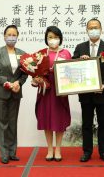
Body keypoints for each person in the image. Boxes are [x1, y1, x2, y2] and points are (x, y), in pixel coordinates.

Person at [72, 18, 104, 162]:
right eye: (90, 28)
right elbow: (72, 67)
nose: (93, 30)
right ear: (86, 30)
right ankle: (87, 152)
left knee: (103, 124)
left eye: (96, 27)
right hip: (85, 94)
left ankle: (103, 152)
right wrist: (79, 60)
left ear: (101, 29)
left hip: (102, 92)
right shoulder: (80, 47)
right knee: (87, 124)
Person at [0, 25, 28, 164]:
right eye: (9, 34)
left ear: (17, 36)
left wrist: (18, 83)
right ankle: (4, 153)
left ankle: (12, 152)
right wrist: (7, 82)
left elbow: (25, 74)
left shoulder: (23, 54)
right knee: (2, 124)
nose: (11, 37)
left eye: (14, 34)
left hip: (15, 93)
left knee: (12, 124)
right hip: (0, 93)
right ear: (4, 36)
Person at [32, 26, 71, 162]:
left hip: (60, 92)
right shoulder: (41, 54)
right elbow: (34, 74)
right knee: (46, 119)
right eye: (50, 37)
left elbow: (70, 73)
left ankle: (58, 149)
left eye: (55, 37)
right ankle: (49, 149)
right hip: (45, 91)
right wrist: (35, 80)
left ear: (60, 38)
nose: (53, 40)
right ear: (46, 39)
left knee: (59, 120)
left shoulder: (66, 53)